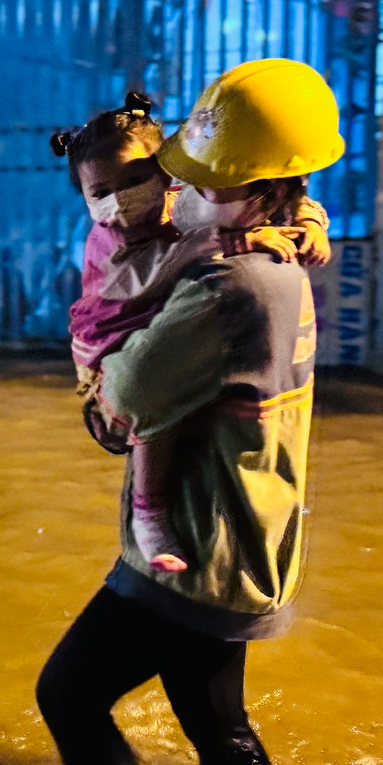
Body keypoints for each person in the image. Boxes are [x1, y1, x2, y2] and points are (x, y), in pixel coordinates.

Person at [36, 58, 346, 765]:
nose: (193, 196)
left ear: (267, 189)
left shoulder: (233, 281)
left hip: (196, 541)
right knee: (213, 720)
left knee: (68, 694)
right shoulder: (276, 262)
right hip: (244, 523)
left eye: (207, 183)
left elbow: (127, 404)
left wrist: (105, 399)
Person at [54, 94, 330, 573]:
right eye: (100, 192)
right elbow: (151, 277)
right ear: (83, 196)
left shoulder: (191, 206)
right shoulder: (110, 240)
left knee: (162, 402)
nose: (120, 198)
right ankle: (150, 511)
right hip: (110, 339)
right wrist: (235, 240)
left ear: (168, 172)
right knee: (156, 417)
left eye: (136, 178)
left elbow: (285, 199)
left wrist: (310, 223)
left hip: (225, 518)